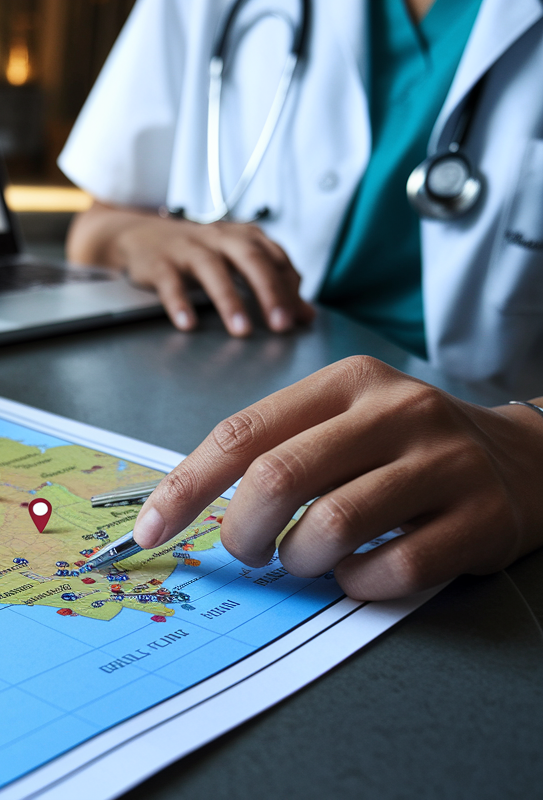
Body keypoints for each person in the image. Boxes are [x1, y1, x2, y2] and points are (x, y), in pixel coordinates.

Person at [60, 0, 543, 598]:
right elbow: (97, 223)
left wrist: (533, 442)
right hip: (218, 393)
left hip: (486, 445)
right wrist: (134, 233)